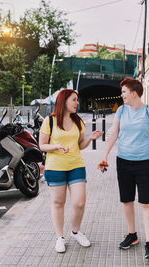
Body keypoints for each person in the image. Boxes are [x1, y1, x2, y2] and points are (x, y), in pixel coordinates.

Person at [99, 78, 149, 260]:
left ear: (134, 93)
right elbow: (113, 134)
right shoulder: (121, 111)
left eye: (124, 92)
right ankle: (132, 235)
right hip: (124, 162)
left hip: (145, 163)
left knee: (145, 202)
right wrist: (104, 155)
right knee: (127, 201)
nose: (122, 95)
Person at [39, 89, 103, 253]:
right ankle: (60, 237)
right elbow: (42, 145)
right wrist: (56, 146)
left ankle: (75, 231)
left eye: (77, 100)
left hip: (76, 165)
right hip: (55, 167)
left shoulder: (78, 121)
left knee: (79, 202)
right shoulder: (50, 121)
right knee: (58, 203)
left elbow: (80, 145)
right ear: (64, 101)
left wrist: (90, 138)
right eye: (74, 100)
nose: (77, 103)